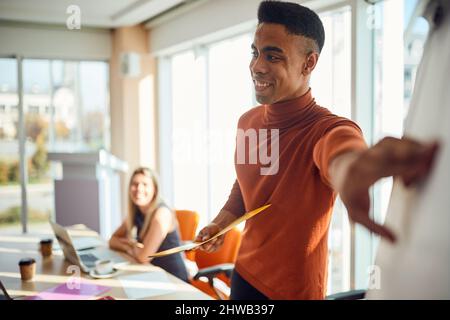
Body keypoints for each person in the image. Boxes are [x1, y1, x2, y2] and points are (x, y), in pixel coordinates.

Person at [194, 0, 438, 300]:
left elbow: (339, 152)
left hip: (294, 290)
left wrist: (350, 168)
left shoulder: (326, 129)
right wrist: (220, 224)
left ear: (309, 63)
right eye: (255, 53)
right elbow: (247, 187)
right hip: (244, 274)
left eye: (273, 56)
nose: (257, 66)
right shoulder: (248, 122)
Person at [109, 167, 189, 282]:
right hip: (152, 273)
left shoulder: (162, 214)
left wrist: (132, 246)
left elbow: (143, 257)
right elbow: (112, 240)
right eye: (135, 184)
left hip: (174, 279)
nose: (139, 189)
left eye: (145, 184)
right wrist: (131, 246)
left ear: (155, 189)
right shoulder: (136, 212)